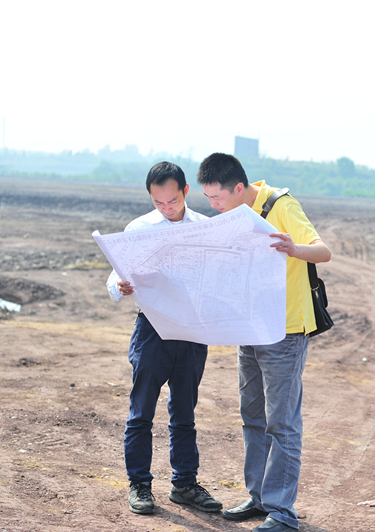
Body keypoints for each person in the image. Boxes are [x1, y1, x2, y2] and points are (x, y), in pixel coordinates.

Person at [196, 153, 332, 532]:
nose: (213, 205)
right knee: (253, 417)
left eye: (217, 197)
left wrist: (294, 249)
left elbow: (323, 251)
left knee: (282, 422)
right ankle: (259, 499)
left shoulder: (282, 206)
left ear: (239, 188)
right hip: (250, 327)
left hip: (284, 331)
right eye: (208, 198)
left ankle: (282, 512)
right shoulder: (234, 214)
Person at [106, 161, 222, 515]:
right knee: (141, 412)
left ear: (185, 191)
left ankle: (184, 484)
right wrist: (120, 286)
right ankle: (139, 485)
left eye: (172, 200)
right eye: (158, 202)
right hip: (152, 330)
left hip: (191, 330)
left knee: (184, 412)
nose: (166, 208)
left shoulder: (206, 228)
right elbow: (114, 278)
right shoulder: (139, 228)